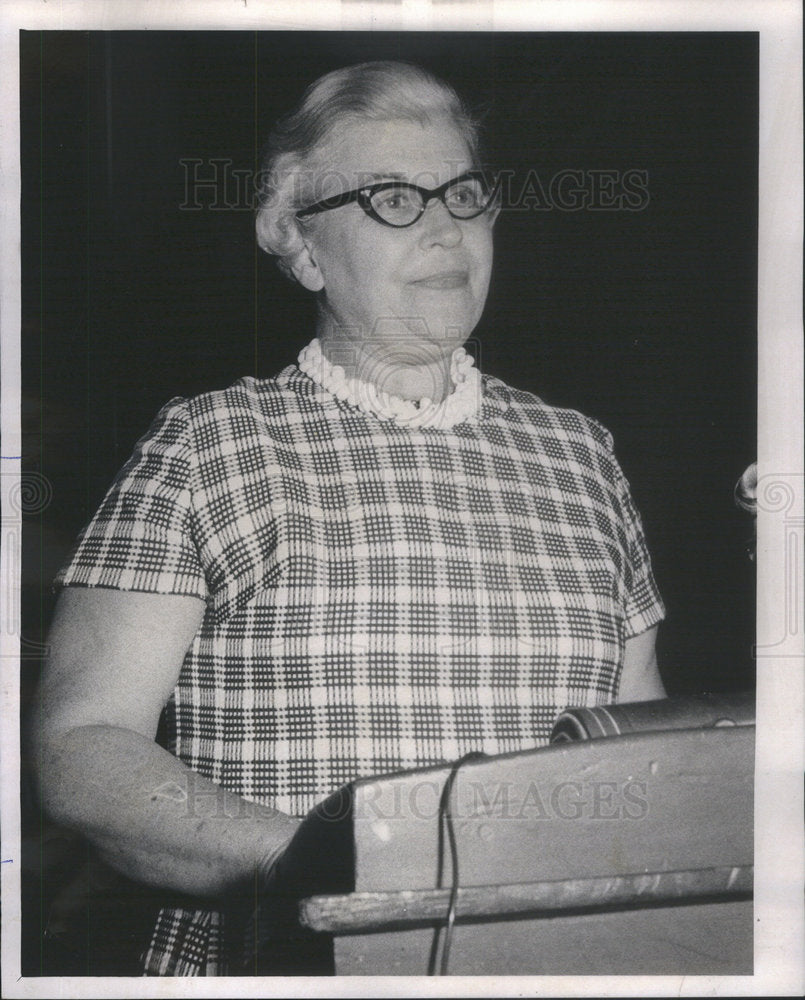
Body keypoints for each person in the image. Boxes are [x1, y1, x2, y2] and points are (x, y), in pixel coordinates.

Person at [33, 60, 666, 976]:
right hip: (283, 960)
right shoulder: (210, 443)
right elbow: (82, 750)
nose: (446, 226)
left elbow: (636, 750)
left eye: (463, 192)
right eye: (392, 200)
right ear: (296, 243)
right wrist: (331, 865)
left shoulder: (580, 452)